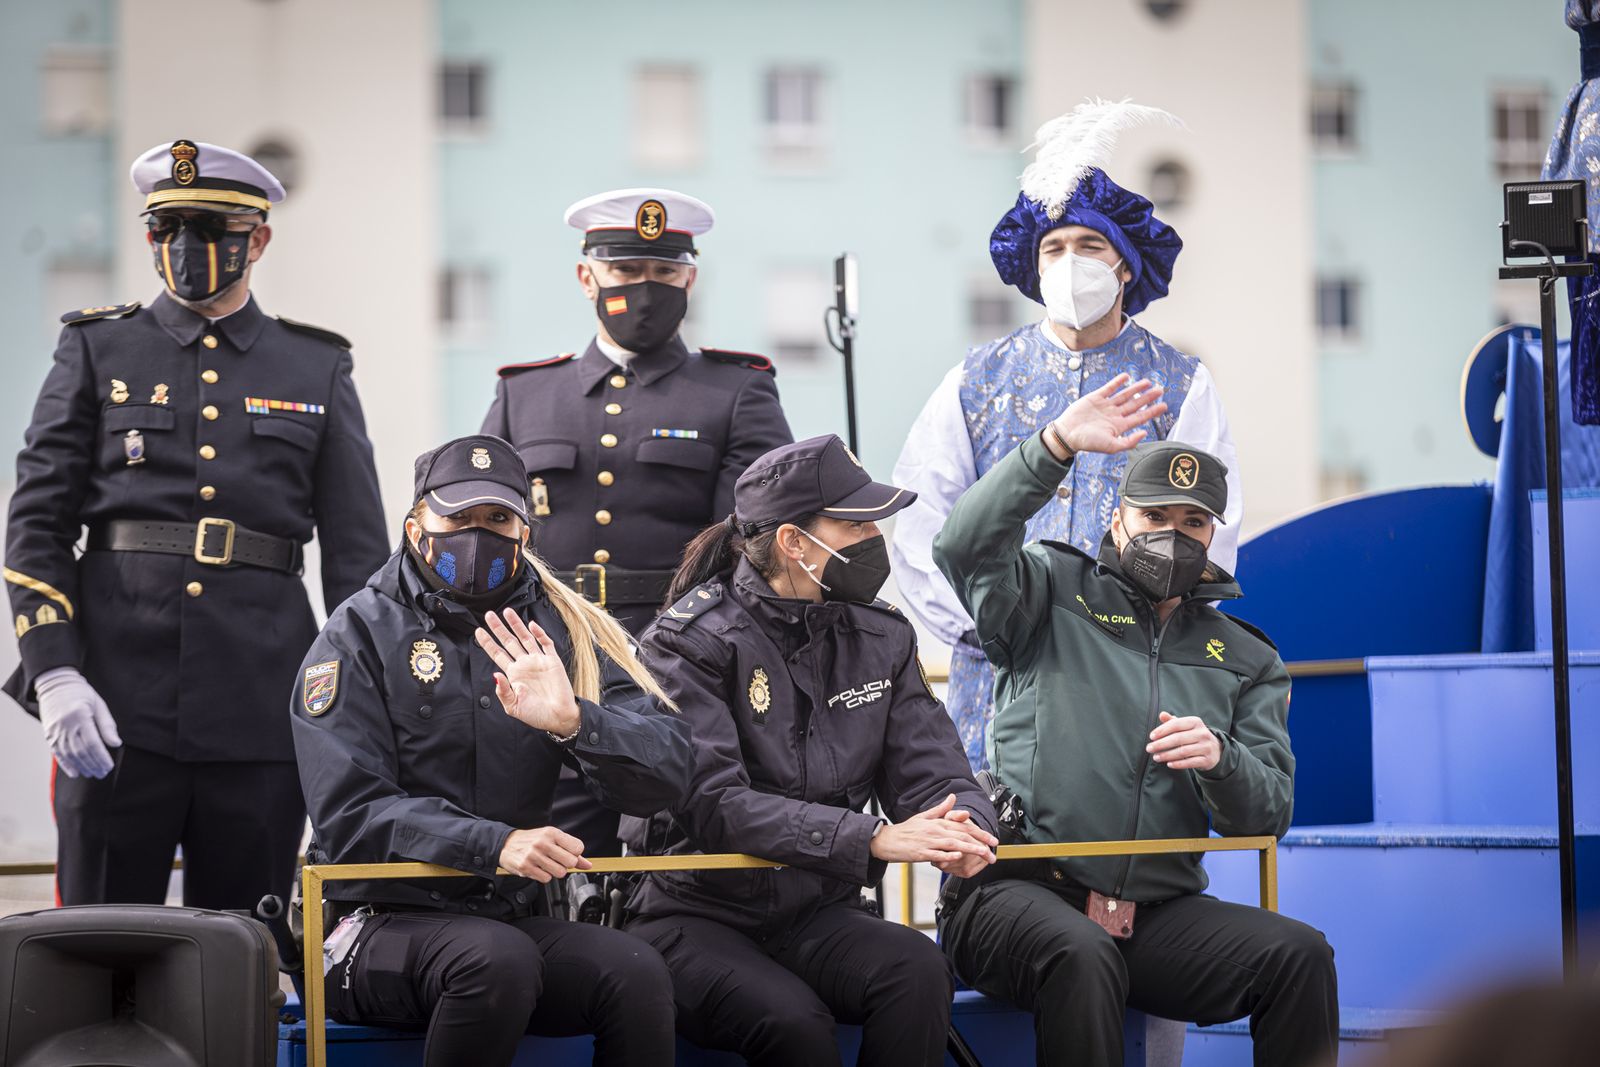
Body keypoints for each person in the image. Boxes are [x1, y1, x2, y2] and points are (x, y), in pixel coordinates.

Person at [3, 139, 388, 916]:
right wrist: (54, 671)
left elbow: (358, 560)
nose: (187, 247)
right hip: (110, 704)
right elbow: (36, 522)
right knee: (96, 944)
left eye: (211, 228)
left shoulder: (315, 367)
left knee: (242, 948)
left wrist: (358, 708)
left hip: (262, 705)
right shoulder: (95, 347)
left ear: (259, 238)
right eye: (168, 228)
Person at [932, 374, 1337, 1067]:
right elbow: (963, 545)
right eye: (1154, 516)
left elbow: (1266, 817)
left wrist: (1221, 758)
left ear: (1213, 535)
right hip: (1014, 890)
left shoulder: (1246, 656)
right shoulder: (1049, 590)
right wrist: (1055, 444)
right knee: (1082, 954)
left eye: (1192, 523)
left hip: (1153, 915)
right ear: (1118, 518)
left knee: (1299, 955)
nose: (1172, 535)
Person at [291, 434, 693, 1067]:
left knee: (635, 968)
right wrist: (494, 843)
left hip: (508, 922)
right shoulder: (357, 632)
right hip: (375, 924)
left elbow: (667, 771)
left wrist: (573, 721)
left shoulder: (567, 628)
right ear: (416, 521)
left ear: (525, 532)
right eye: (458, 517)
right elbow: (349, 815)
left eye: (498, 519)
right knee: (494, 961)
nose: (477, 535)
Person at [620, 435, 998, 1067]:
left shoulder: (880, 635)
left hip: (816, 910)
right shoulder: (686, 643)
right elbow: (716, 805)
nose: (876, 536)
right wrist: (870, 839)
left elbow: (933, 771)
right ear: (795, 542)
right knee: (792, 1022)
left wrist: (966, 827)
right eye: (857, 523)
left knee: (917, 969)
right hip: (695, 916)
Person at [890, 100, 1242, 772]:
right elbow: (920, 519)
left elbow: (1215, 530)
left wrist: (1156, 632)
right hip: (997, 678)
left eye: (1089, 246)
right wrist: (980, 629)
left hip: (1130, 671)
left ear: (1126, 266)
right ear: (1034, 267)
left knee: (1120, 842)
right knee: (992, 850)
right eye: (1054, 248)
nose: (1070, 260)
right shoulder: (975, 378)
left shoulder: (1182, 382)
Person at [483, 187, 793, 856]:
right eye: (626, 270)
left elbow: (757, 549)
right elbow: (483, 538)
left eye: (662, 272)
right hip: (553, 654)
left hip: (677, 662)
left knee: (673, 848)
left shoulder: (737, 390)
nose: (644, 289)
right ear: (586, 275)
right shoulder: (524, 393)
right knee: (555, 848)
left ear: (690, 277)